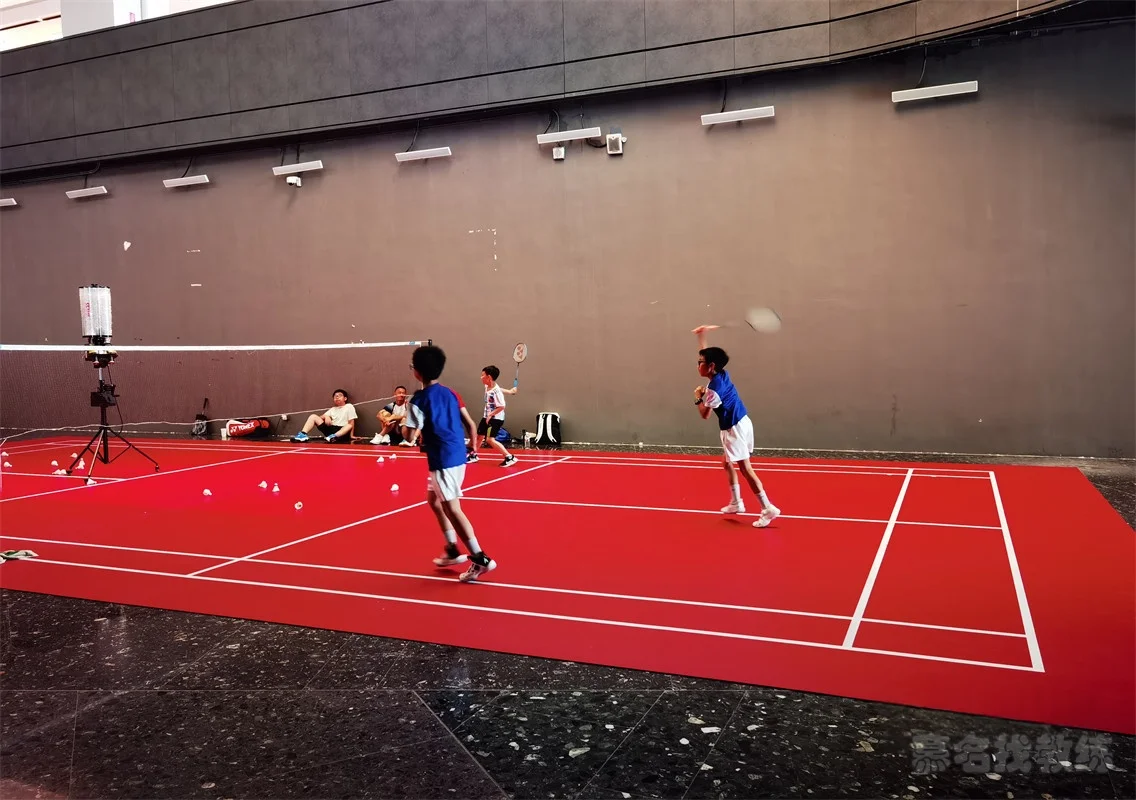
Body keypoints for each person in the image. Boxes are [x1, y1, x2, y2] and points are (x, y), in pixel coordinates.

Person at [402, 345, 497, 583]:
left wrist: (405, 417)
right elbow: (469, 423)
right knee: (433, 500)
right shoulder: (451, 393)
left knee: (453, 508)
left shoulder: (418, 401)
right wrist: (473, 445)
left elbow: (408, 436)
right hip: (457, 454)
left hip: (442, 460)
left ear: (416, 372)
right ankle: (452, 548)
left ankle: (480, 558)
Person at [692, 325, 780, 527]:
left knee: (746, 469)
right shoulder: (722, 373)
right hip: (743, 421)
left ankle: (768, 508)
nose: (697, 365)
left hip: (733, 429)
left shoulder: (713, 391)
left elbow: (705, 415)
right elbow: (707, 354)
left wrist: (698, 397)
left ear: (711, 366)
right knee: (727, 462)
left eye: (700, 363)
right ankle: (736, 502)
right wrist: (701, 335)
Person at [468, 365, 517, 467]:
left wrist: (490, 415)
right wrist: (510, 391)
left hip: (495, 419)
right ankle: (473, 455)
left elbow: (502, 406)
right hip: (487, 416)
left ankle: (509, 457)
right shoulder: (488, 386)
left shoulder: (496, 392)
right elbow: (499, 388)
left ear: (489, 377)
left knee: (490, 439)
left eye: (483, 375)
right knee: (479, 436)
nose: (481, 377)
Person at [291, 389, 357, 443]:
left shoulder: (349, 406)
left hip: (342, 432)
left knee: (349, 425)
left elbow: (351, 422)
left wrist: (351, 436)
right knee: (313, 416)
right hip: (331, 430)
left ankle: (334, 436)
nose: (337, 397)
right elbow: (319, 418)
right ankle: (302, 435)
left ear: (345, 398)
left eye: (339, 395)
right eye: (335, 396)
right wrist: (326, 416)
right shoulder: (333, 409)